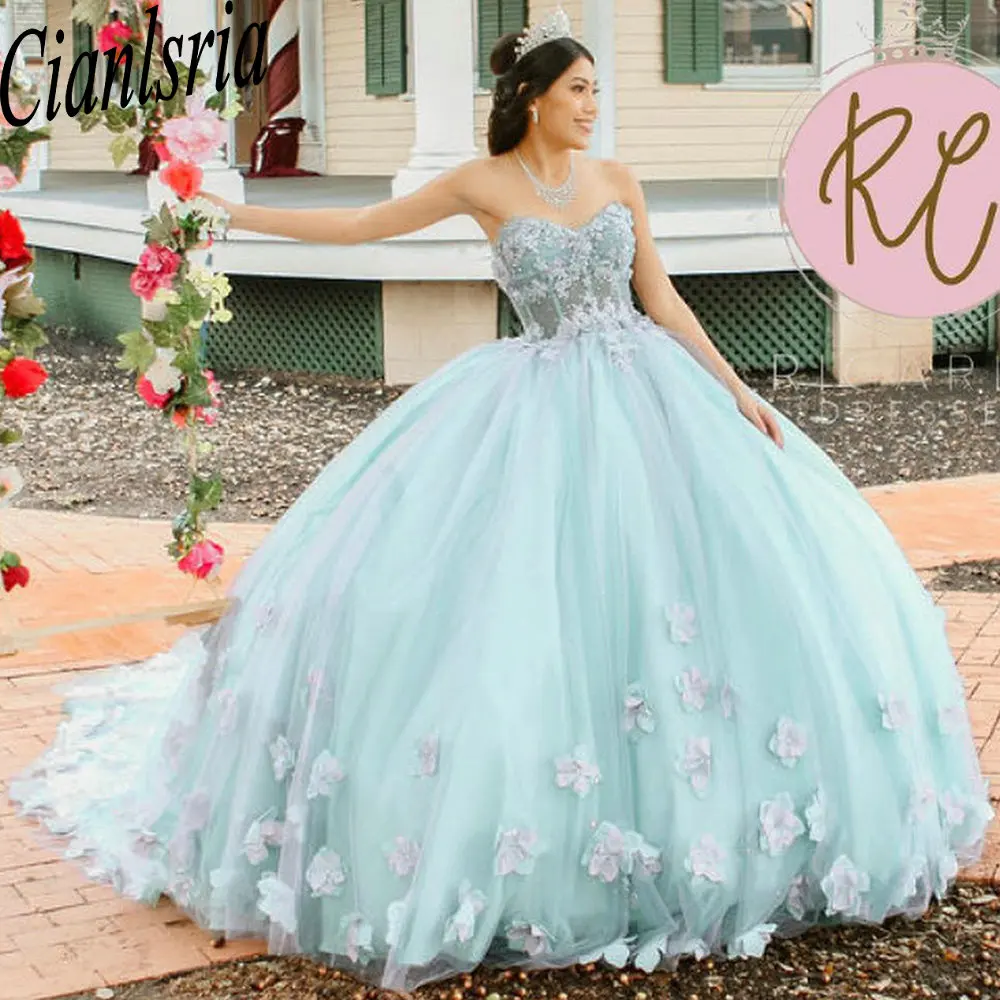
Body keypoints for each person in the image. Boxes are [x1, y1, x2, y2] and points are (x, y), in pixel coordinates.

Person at [9, 8, 993, 994]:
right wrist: (230, 214)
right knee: (521, 603)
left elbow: (662, 294)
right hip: (533, 403)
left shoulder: (617, 182)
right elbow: (357, 224)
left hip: (654, 400)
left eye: (597, 93)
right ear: (531, 97)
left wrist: (734, 389)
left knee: (690, 587)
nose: (592, 108)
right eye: (578, 91)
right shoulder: (481, 183)